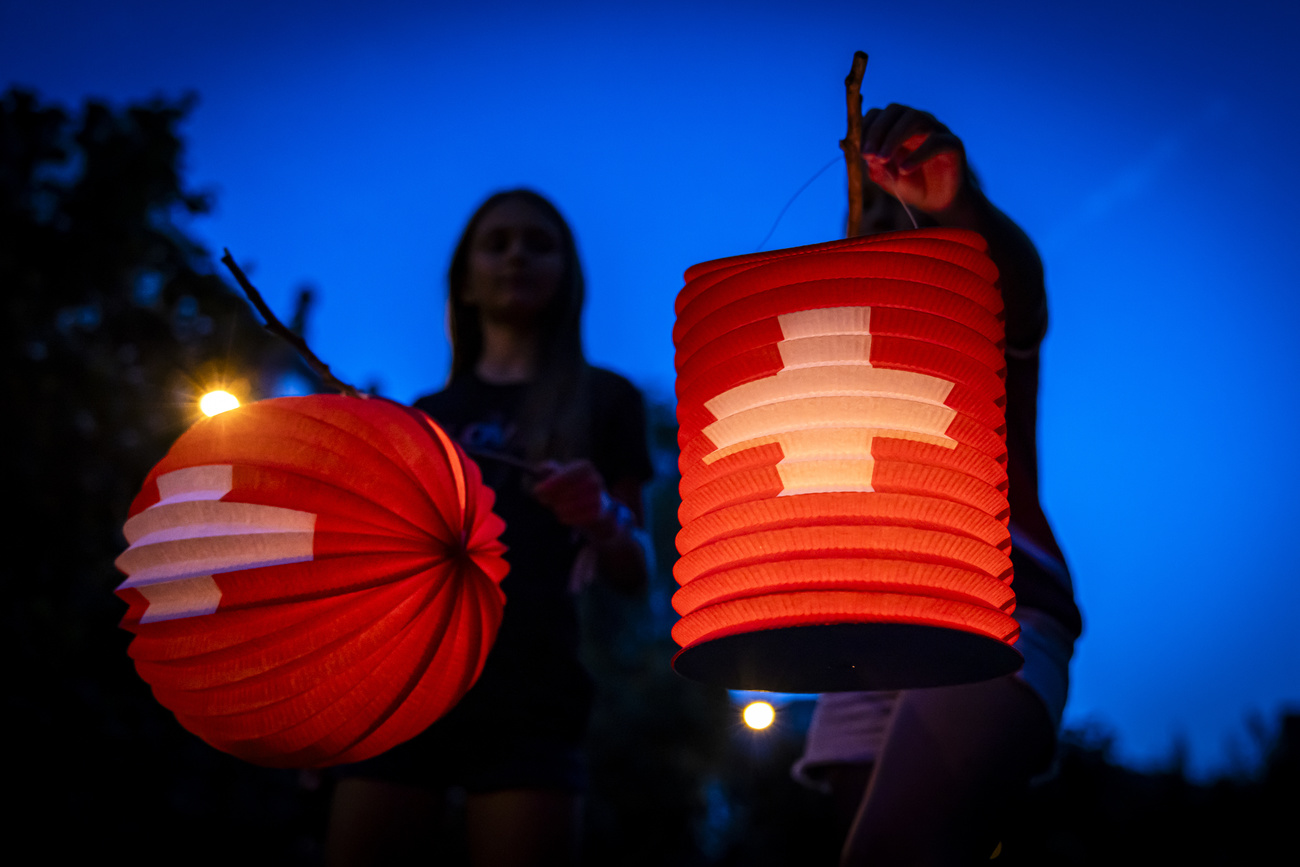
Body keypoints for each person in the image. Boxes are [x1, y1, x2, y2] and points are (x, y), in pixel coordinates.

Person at [791, 105, 1084, 865]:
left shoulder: (980, 304)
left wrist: (960, 209)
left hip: (994, 597)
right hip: (860, 630)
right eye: (880, 211)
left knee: (899, 848)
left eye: (915, 207)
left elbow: (1020, 285)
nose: (900, 221)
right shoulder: (827, 357)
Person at [327, 189, 653, 867]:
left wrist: (603, 518)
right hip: (409, 689)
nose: (515, 255)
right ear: (465, 280)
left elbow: (637, 571)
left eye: (538, 242)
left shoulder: (607, 399)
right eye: (496, 242)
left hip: (534, 697)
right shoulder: (426, 414)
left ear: (567, 273)